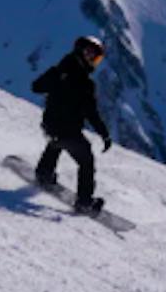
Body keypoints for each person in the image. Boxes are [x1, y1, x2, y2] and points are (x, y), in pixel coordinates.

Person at [32, 35, 112, 215]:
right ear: (83, 52)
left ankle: (44, 173)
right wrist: (104, 134)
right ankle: (84, 202)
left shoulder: (60, 70)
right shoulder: (85, 83)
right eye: (93, 56)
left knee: (56, 142)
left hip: (50, 125)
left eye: (97, 58)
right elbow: (91, 113)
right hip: (68, 131)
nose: (94, 62)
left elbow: (36, 87)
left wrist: (55, 77)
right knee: (86, 160)